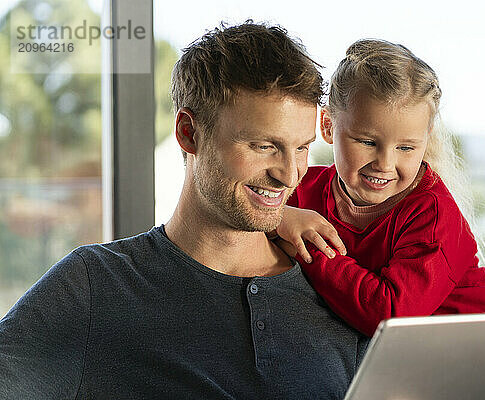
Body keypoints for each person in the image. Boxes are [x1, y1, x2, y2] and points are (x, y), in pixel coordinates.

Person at [0, 22, 369, 399]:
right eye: (263, 146)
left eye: (302, 148)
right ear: (189, 133)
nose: (289, 175)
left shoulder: (342, 288)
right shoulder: (95, 287)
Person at [274, 39, 485, 400]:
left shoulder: (431, 212)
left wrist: (306, 247)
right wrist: (279, 216)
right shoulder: (304, 192)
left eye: (406, 147)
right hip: (436, 380)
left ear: (425, 141)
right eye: (367, 141)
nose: (385, 164)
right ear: (327, 125)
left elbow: (392, 315)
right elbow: (252, 218)